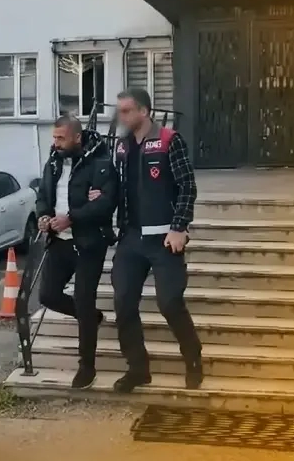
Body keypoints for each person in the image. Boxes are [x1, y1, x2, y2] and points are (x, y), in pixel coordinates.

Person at [107, 88, 203, 393]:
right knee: (123, 302)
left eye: (126, 110)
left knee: (170, 302)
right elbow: (117, 188)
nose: (121, 116)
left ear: (144, 111)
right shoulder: (122, 147)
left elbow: (187, 186)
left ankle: (193, 357)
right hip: (131, 238)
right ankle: (138, 368)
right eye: (119, 111)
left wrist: (179, 226)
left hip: (164, 238)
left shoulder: (168, 140)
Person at [34, 115, 118, 390]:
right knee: (47, 295)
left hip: (88, 243)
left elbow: (105, 205)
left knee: (83, 299)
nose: (56, 143)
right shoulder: (54, 162)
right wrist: (43, 216)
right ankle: (91, 317)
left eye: (61, 138)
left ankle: (87, 367)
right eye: (54, 138)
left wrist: (72, 218)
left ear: (77, 137)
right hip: (59, 241)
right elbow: (43, 195)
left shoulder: (100, 163)